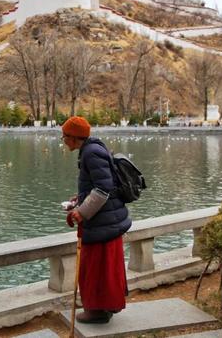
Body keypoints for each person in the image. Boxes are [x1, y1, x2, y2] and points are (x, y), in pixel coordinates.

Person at [62, 116, 131, 324]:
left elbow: (103, 190)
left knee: (96, 268)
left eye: (65, 136)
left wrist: (81, 212)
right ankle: (104, 307)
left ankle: (97, 311)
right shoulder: (92, 149)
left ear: (74, 138)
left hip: (102, 224)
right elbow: (97, 185)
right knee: (104, 268)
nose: (63, 140)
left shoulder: (91, 153)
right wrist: (80, 199)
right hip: (105, 221)